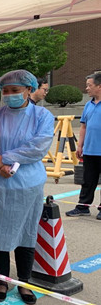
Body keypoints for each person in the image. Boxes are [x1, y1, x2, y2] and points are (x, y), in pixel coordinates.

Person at [0, 69, 54, 305]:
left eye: (15, 90)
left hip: (27, 184)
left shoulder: (42, 116)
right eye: (5, 91)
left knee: (26, 233)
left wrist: (4, 159)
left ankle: (24, 282)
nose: (9, 95)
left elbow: (38, 146)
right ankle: (1, 281)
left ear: (28, 90)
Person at [65, 71, 101, 219]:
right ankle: (83, 207)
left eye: (89, 85)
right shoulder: (88, 105)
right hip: (90, 150)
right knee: (87, 181)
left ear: (99, 86)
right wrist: (80, 146)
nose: (86, 88)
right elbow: (83, 126)